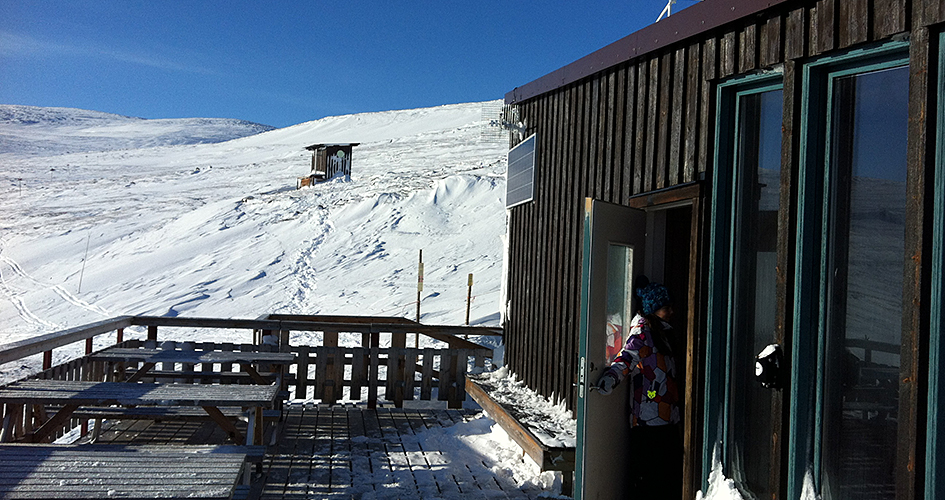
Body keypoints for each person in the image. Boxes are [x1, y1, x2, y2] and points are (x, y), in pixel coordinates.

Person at [597, 282, 683, 499]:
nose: (671, 312)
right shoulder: (643, 331)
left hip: (666, 413)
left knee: (664, 475)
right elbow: (627, 356)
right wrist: (611, 378)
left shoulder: (662, 332)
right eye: (666, 307)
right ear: (653, 309)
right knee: (650, 476)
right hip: (649, 416)